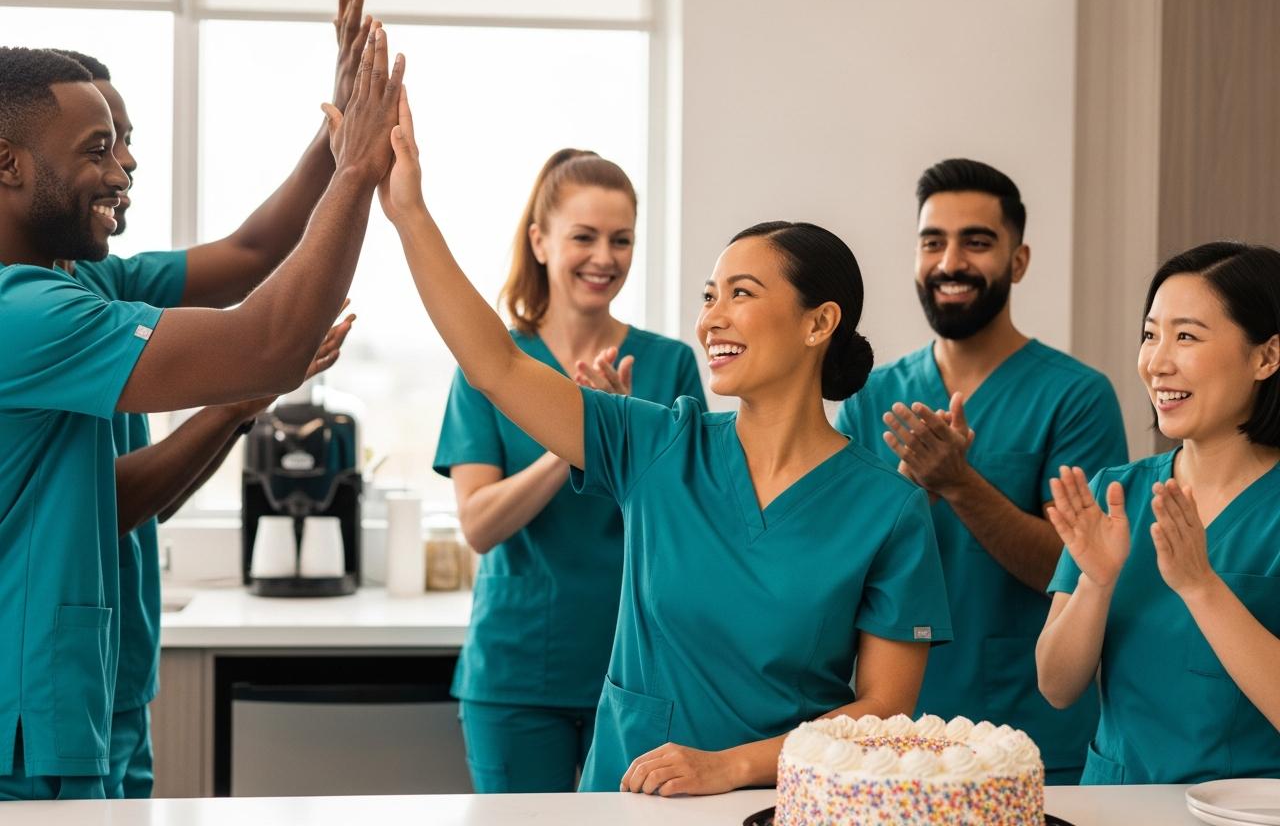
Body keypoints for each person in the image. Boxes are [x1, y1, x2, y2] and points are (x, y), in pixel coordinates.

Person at [377, 91, 952, 795]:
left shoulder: (888, 510)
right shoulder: (654, 441)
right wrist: (408, 213)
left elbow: (885, 711)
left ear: (817, 322)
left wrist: (732, 765)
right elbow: (495, 365)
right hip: (629, 800)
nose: (712, 317)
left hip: (774, 803)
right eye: (709, 295)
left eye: (740, 293)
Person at [0, 31, 400, 800]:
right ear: (9, 162)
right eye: (98, 148)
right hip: (26, 726)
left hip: (63, 704)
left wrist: (336, 132)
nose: (124, 170)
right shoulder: (25, 313)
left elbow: (253, 255)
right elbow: (268, 340)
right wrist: (355, 172)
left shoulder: (82, 285)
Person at [834, 158, 1127, 784]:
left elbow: (1074, 568)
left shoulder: (1076, 397)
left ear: (1018, 261)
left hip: (1028, 732)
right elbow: (828, 561)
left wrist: (960, 483)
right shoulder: (869, 396)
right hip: (889, 733)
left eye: (978, 241)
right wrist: (911, 493)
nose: (950, 262)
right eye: (932, 242)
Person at [435, 149, 705, 792]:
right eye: (584, 236)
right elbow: (478, 525)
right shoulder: (490, 365)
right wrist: (581, 435)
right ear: (540, 240)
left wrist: (625, 431)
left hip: (643, 670)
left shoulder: (670, 367)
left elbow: (689, 524)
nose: (604, 258)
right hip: (518, 670)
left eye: (621, 240)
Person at [1037, 241, 1280, 784]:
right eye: (1151, 334)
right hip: (1115, 805)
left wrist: (1202, 586)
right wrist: (1096, 584)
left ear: (1265, 357)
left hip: (1245, 815)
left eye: (1186, 336)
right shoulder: (1114, 493)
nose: (1156, 362)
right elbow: (1055, 686)